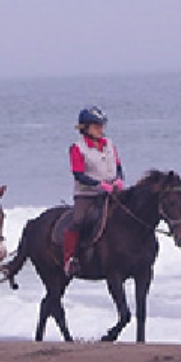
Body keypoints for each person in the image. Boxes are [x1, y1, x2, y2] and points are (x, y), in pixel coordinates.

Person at [64, 106, 125, 276]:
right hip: (87, 195)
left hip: (112, 192)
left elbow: (118, 166)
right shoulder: (77, 148)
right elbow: (78, 174)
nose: (100, 130)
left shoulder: (110, 144)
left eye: (102, 126)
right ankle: (71, 258)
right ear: (85, 128)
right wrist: (100, 185)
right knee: (78, 220)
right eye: (96, 126)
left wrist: (119, 180)